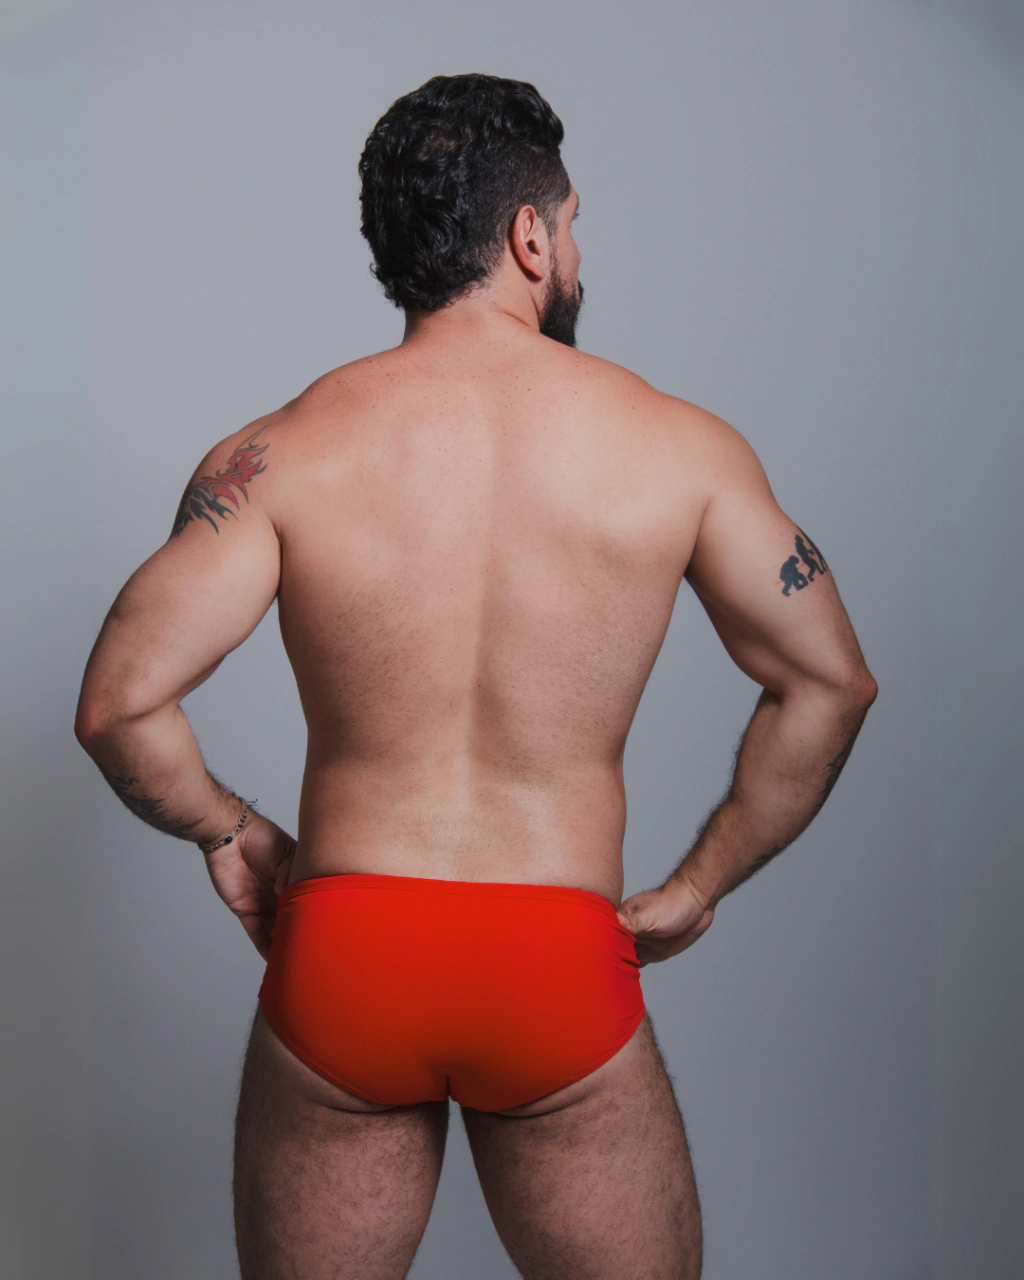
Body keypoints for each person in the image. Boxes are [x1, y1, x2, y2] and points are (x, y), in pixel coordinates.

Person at [74, 73, 878, 1280]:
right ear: (529, 236)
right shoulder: (679, 448)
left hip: (345, 950)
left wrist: (230, 830)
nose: (576, 252)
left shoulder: (280, 453)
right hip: (555, 957)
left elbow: (118, 703)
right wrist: (701, 880)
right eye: (574, 224)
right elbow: (832, 682)